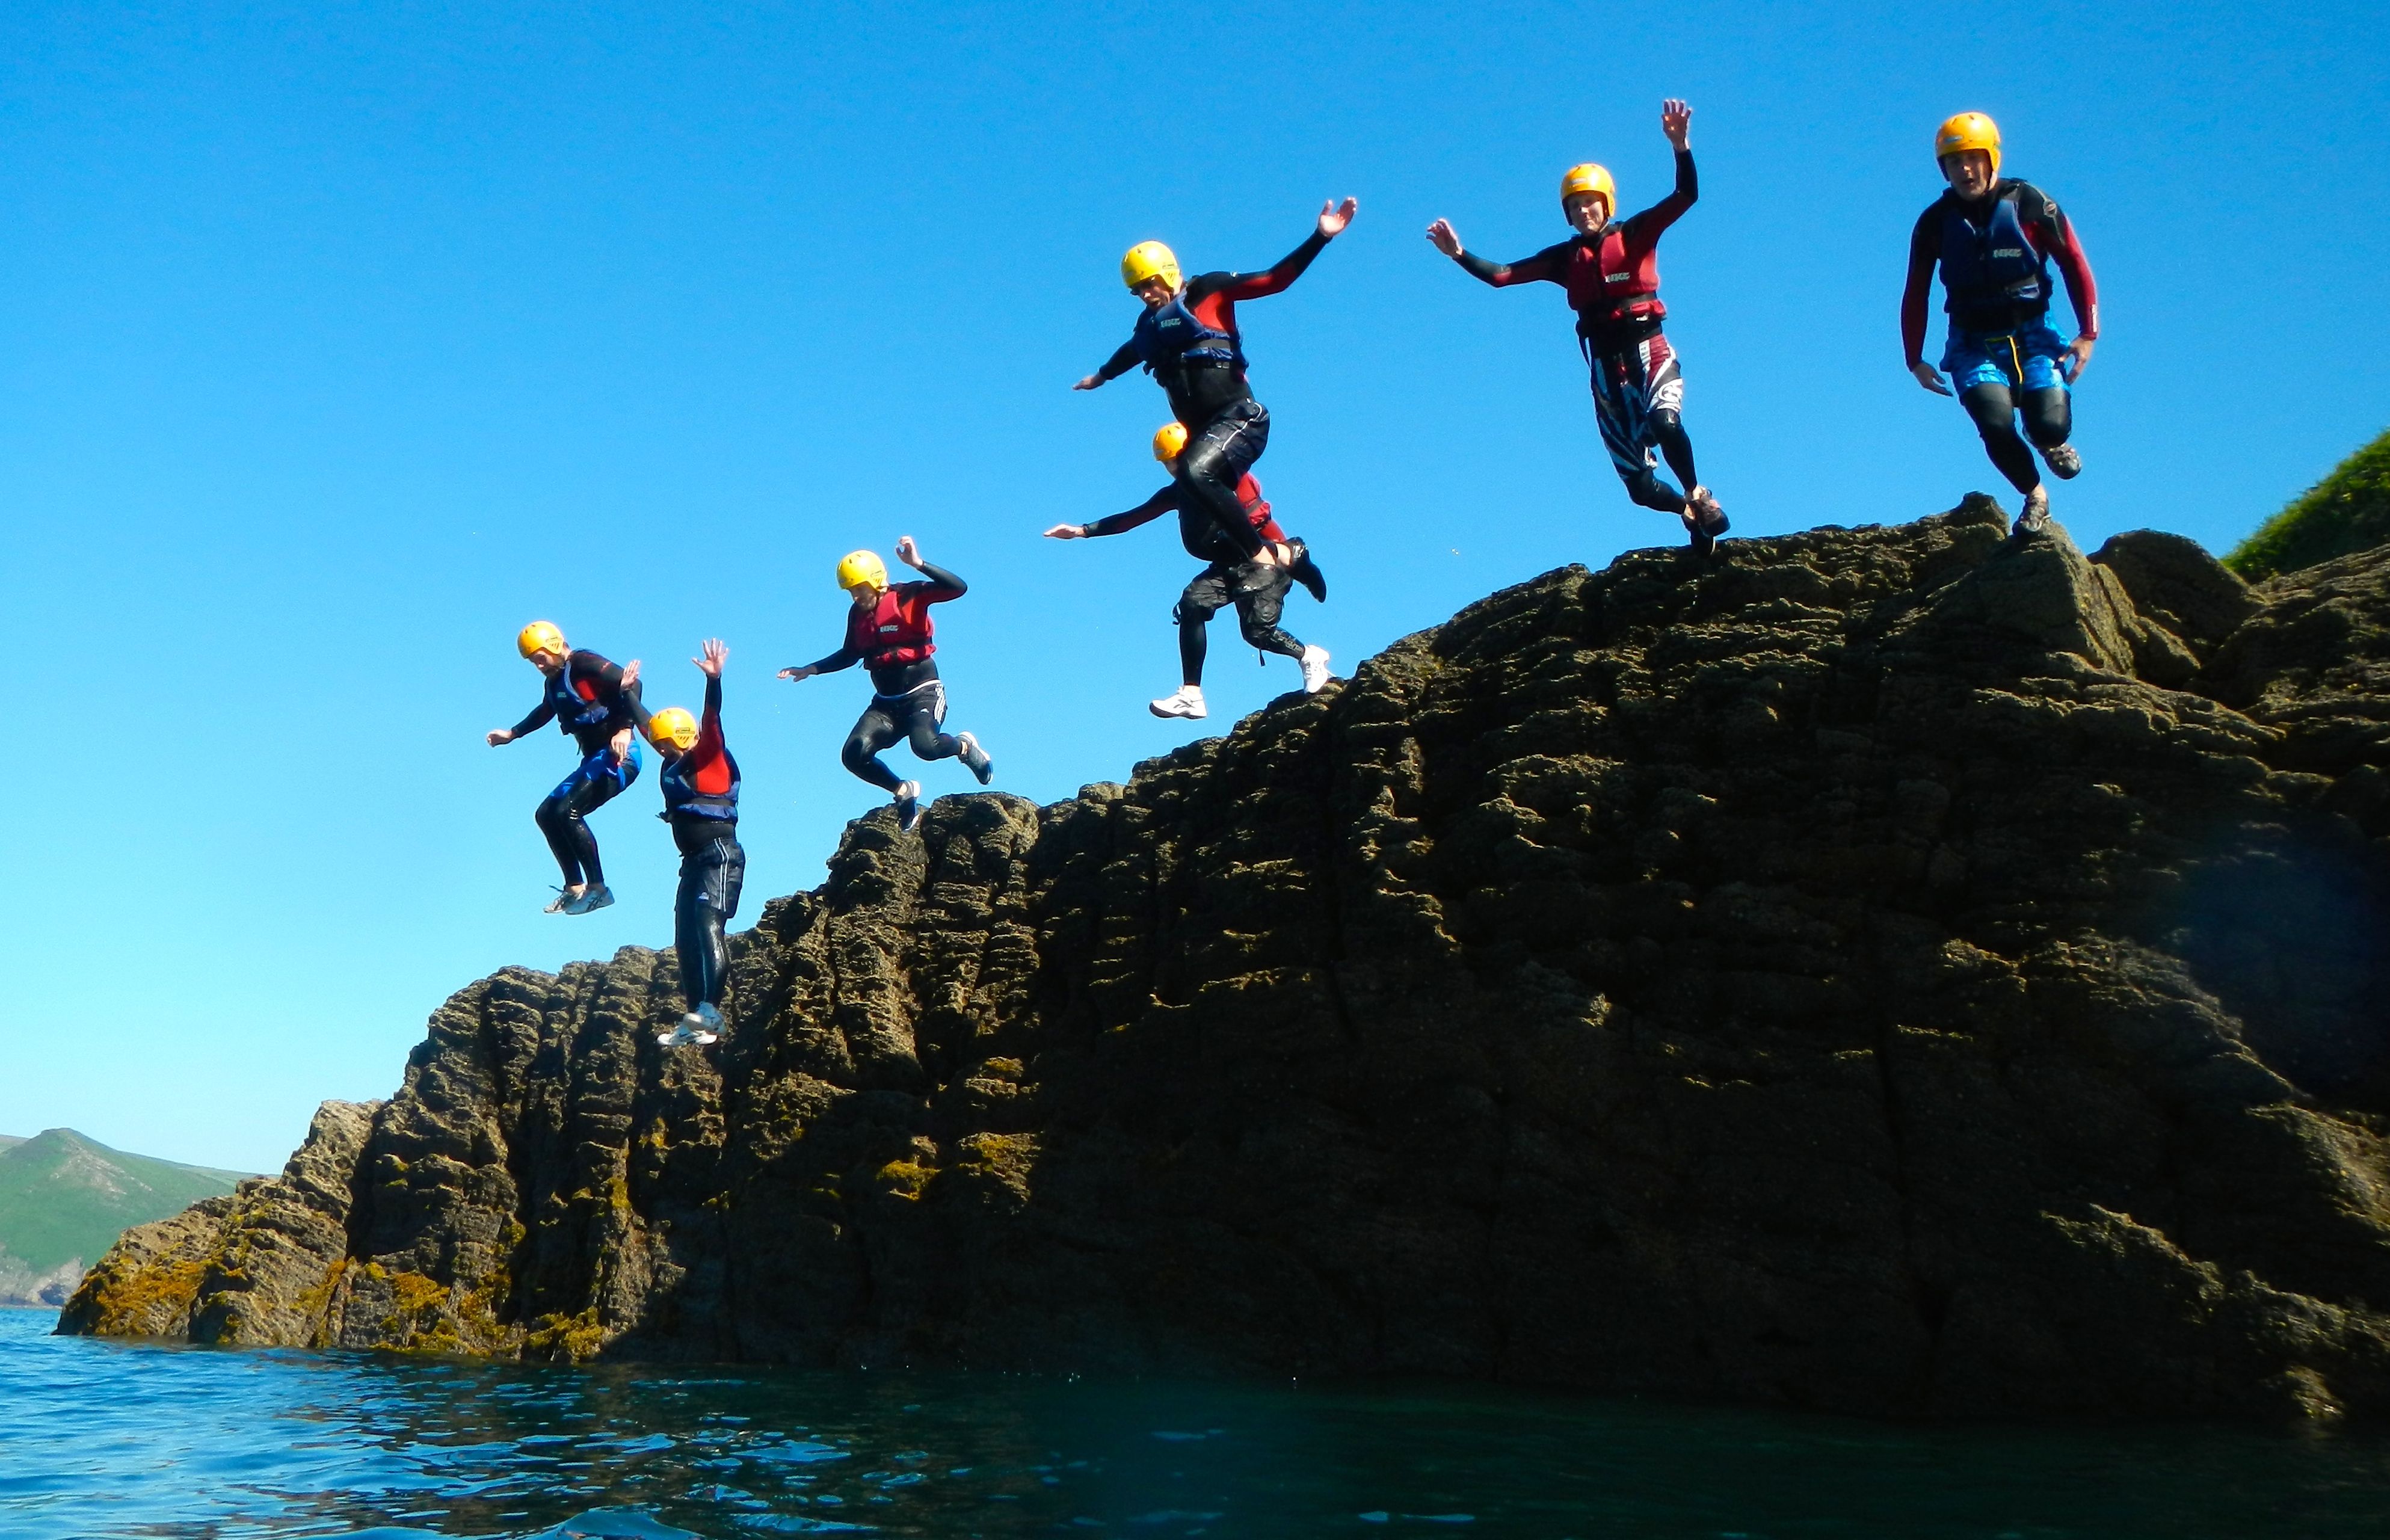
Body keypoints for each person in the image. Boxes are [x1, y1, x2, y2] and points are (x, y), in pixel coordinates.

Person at [1427, 99, 1728, 556]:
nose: (1585, 211)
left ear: (1606, 204)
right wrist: (1458, 253)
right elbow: (1502, 276)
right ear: (1567, 214)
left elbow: (1685, 197)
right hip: (1606, 371)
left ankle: (1696, 496)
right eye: (1575, 206)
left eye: (1591, 202)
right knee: (1640, 489)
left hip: (1649, 350)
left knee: (1664, 422)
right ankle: (1685, 517)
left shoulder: (1635, 235)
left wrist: (1680, 147)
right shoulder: (1565, 260)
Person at [1074, 196, 1357, 571]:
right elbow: (1131, 351)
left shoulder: (1210, 289)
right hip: (1205, 433)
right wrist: (1102, 376)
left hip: (1242, 419)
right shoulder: (1150, 327)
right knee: (1194, 486)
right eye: (1137, 290)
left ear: (1169, 273)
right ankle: (1290, 559)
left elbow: (1275, 280)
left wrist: (1320, 237)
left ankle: (1264, 558)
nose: (1145, 295)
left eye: (1149, 284)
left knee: (1193, 472)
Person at [1046, 422, 1331, 719]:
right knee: (1192, 604)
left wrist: (1286, 554)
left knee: (1257, 633)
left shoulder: (1229, 477)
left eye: (1176, 460)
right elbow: (1133, 517)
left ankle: (1309, 656)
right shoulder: (1178, 492)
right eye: (1167, 463)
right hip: (1226, 566)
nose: (1172, 468)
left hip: (1263, 562)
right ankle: (1191, 695)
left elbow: (1260, 513)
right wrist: (1081, 531)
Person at [1900, 111, 2099, 535]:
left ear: (1991, 159)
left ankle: (2049, 441)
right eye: (1954, 162)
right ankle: (2034, 496)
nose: (1965, 170)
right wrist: (1913, 358)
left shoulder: (2030, 204)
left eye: (1973, 158)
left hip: (2033, 335)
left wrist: (2087, 333)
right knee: (1993, 423)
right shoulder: (1934, 223)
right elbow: (1915, 291)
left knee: (2048, 425)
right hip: (1973, 341)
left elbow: (2073, 263)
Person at [778, 535, 993, 834]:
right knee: (854, 755)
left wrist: (918, 564)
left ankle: (965, 747)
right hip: (886, 703)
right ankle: (903, 790)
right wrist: (811, 669)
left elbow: (959, 588)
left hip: (923, 693)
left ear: (876, 581)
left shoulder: (908, 597)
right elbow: (851, 653)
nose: (855, 596)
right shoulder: (858, 614)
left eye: (859, 588)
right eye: (850, 590)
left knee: (926, 748)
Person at [486, 621, 643, 914]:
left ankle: (598, 889)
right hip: (594, 761)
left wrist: (625, 729)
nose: (538, 666)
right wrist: (513, 733)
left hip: (620, 758)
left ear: (555, 646)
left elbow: (632, 682)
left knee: (566, 812)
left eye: (540, 658)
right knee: (546, 815)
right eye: (533, 661)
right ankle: (574, 888)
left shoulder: (583, 663)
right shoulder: (555, 681)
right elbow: (546, 710)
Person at [632, 639, 742, 1050]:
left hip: (719, 855)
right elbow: (645, 722)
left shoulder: (708, 756)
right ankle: (696, 1015)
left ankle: (711, 1010)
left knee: (708, 925)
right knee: (684, 938)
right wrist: (628, 691)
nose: (659, 751)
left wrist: (714, 681)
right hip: (693, 861)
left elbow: (712, 718)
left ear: (680, 737)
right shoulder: (671, 758)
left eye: (664, 744)